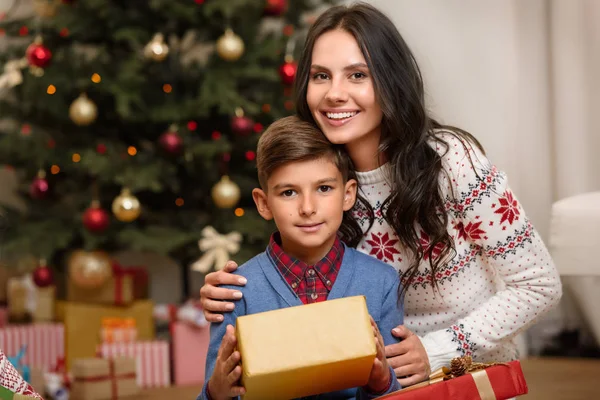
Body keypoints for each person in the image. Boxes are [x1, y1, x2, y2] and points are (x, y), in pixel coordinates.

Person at [200, 2, 562, 387]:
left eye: (357, 75)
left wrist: (436, 348)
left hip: (467, 379)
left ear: (391, 80)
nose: (334, 94)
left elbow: (539, 285)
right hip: (371, 387)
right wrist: (230, 294)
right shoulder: (318, 178)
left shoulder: (453, 161)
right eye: (321, 76)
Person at [199, 116, 403, 400]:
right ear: (264, 203)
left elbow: (400, 392)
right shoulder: (235, 292)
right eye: (289, 192)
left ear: (348, 194)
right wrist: (215, 393)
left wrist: (381, 383)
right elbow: (217, 390)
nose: (307, 208)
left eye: (323, 188)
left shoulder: (382, 282)